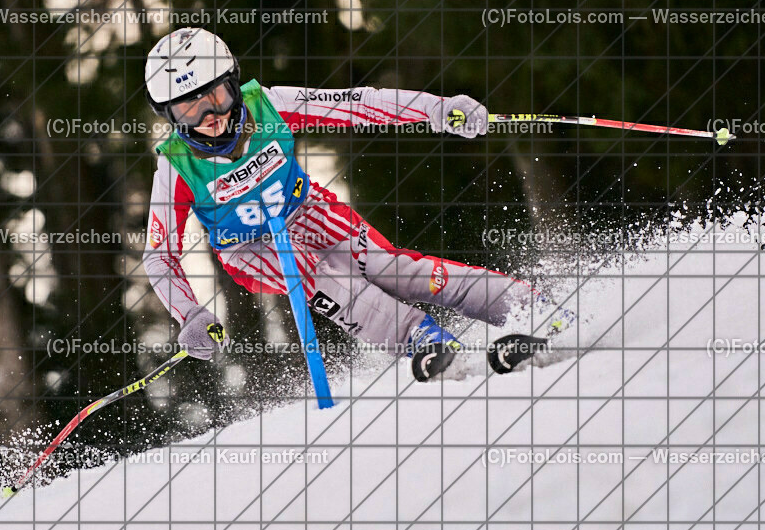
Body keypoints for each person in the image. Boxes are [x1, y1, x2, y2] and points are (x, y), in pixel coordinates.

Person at [142, 28, 572, 382]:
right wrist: (191, 313)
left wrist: (437, 110)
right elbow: (160, 255)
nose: (209, 117)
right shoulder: (175, 168)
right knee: (320, 278)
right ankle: (424, 342)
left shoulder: (271, 105)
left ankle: (531, 309)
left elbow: (358, 103)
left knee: (397, 271)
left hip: (307, 211)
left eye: (214, 96)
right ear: (170, 115)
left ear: (232, 83)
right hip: (249, 248)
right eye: (188, 110)